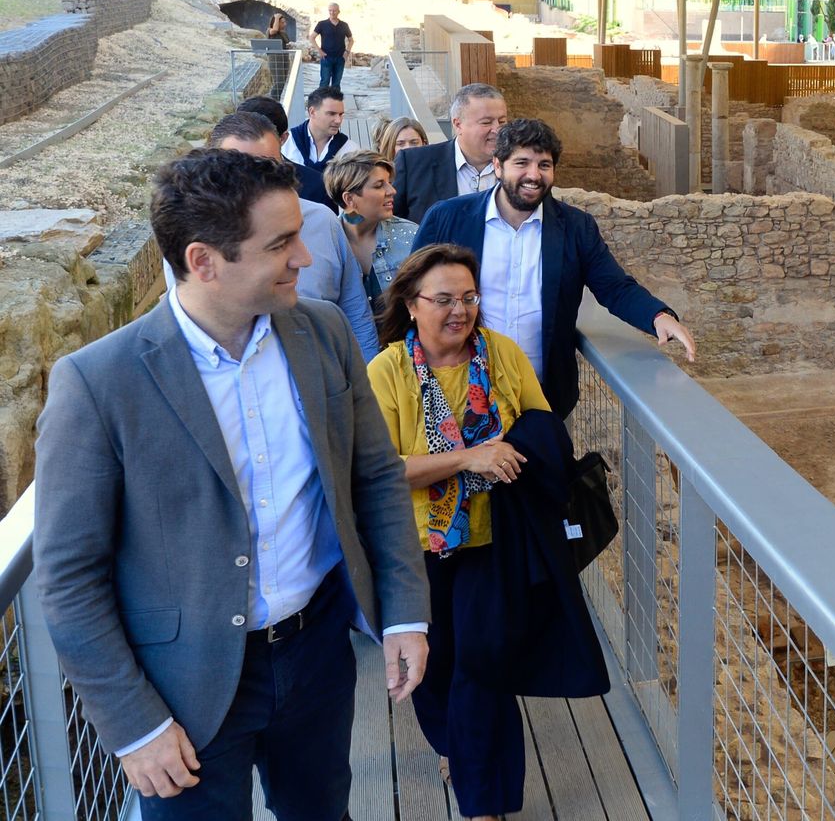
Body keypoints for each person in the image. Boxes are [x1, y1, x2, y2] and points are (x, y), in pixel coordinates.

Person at [32, 147, 430, 820]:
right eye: (281, 243)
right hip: (181, 691)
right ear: (203, 261)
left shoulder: (324, 331)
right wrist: (133, 724)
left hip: (318, 658)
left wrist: (403, 613)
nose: (305, 257)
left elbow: (377, 479)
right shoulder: (99, 382)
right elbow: (69, 576)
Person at [366, 244, 559, 821]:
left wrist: (513, 451)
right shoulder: (389, 372)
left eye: (470, 298)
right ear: (410, 302)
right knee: (435, 668)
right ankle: (454, 743)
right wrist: (468, 457)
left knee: (484, 665)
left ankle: (485, 801)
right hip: (418, 548)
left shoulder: (500, 355)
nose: (460, 311)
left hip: (495, 541)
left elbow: (542, 426)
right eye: (444, 299)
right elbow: (383, 471)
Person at [412, 118, 695, 419]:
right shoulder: (448, 217)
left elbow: (614, 286)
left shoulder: (575, 228)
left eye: (544, 165)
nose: (533, 175)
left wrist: (658, 316)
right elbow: (412, 288)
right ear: (497, 165)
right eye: (522, 163)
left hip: (542, 397)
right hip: (460, 389)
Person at [188, 112, 382, 361]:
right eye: (237, 173)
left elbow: (356, 314)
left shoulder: (324, 222)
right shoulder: (194, 241)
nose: (301, 259)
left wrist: (369, 382)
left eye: (269, 168)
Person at [392, 83, 507, 223]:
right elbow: (391, 222)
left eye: (502, 122)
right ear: (458, 125)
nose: (497, 129)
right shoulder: (413, 164)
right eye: (486, 122)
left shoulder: (518, 166)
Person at [324, 149, 419, 315]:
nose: (392, 191)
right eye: (379, 185)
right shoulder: (324, 244)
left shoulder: (412, 235)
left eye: (389, 182)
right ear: (349, 199)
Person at [236, 95, 334, 209]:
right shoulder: (219, 180)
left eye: (258, 138)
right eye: (241, 135)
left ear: (283, 138)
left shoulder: (318, 187)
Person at [284, 86, 350, 174]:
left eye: (341, 114)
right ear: (312, 112)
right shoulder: (286, 144)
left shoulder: (350, 151)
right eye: (331, 114)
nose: (338, 120)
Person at [313, 3, 353, 89]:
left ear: (338, 11)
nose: (332, 12)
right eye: (330, 10)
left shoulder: (344, 25)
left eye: (334, 10)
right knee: (324, 81)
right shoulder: (322, 24)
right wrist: (319, 50)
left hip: (340, 58)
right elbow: (311, 37)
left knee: (336, 83)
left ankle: (335, 102)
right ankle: (321, 101)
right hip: (326, 57)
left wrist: (347, 52)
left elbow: (351, 40)